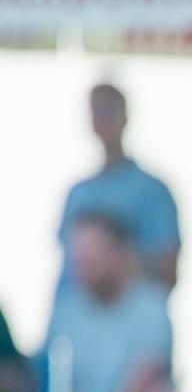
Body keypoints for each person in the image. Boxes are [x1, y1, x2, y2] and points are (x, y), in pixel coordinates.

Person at [45, 213, 174, 392]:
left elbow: (141, 387)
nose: (82, 264)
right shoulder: (64, 313)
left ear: (120, 254)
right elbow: (51, 387)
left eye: (92, 255)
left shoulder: (152, 307)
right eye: (79, 257)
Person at [56, 83, 181, 296]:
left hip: (135, 321)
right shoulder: (79, 193)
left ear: (125, 116)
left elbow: (168, 274)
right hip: (81, 324)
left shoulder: (153, 191)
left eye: (109, 110)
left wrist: (118, 260)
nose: (103, 119)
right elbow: (68, 273)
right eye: (96, 111)